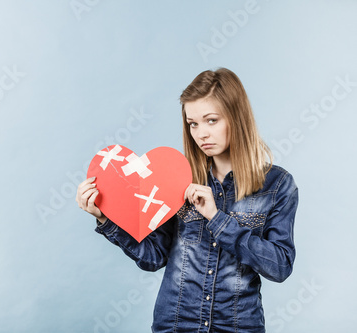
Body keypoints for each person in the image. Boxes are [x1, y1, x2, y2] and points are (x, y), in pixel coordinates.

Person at [76, 68, 298, 333]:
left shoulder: (277, 185)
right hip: (176, 325)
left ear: (236, 118)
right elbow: (154, 257)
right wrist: (105, 217)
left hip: (238, 326)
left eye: (211, 120)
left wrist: (217, 219)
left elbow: (280, 266)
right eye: (193, 123)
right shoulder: (178, 180)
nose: (201, 133)